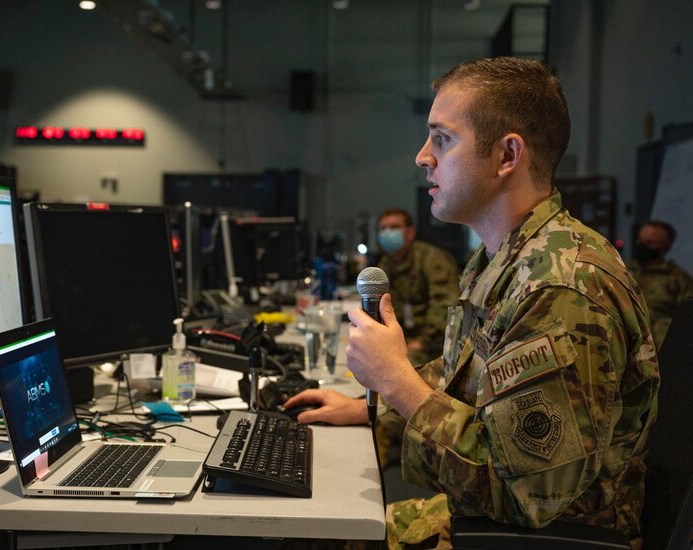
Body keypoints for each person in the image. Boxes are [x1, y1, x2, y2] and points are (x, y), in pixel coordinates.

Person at [285, 57, 659, 549]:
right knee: (315, 521)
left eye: (442, 139)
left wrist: (397, 382)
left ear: (507, 156)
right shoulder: (504, 257)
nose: (422, 157)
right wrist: (372, 407)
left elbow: (529, 496)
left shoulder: (563, 290)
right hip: (497, 523)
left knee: (316, 537)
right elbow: (469, 376)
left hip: (540, 537)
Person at [376, 208, 460, 366]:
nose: (387, 233)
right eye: (383, 228)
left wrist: (423, 343)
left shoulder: (432, 259)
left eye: (394, 227)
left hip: (434, 345)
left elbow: (445, 306)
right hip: (402, 340)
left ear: (410, 233)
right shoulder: (385, 263)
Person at [628, 220, 693, 350]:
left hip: (657, 347)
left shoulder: (678, 279)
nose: (642, 245)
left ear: (666, 248)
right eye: (640, 240)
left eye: (650, 243)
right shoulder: (623, 271)